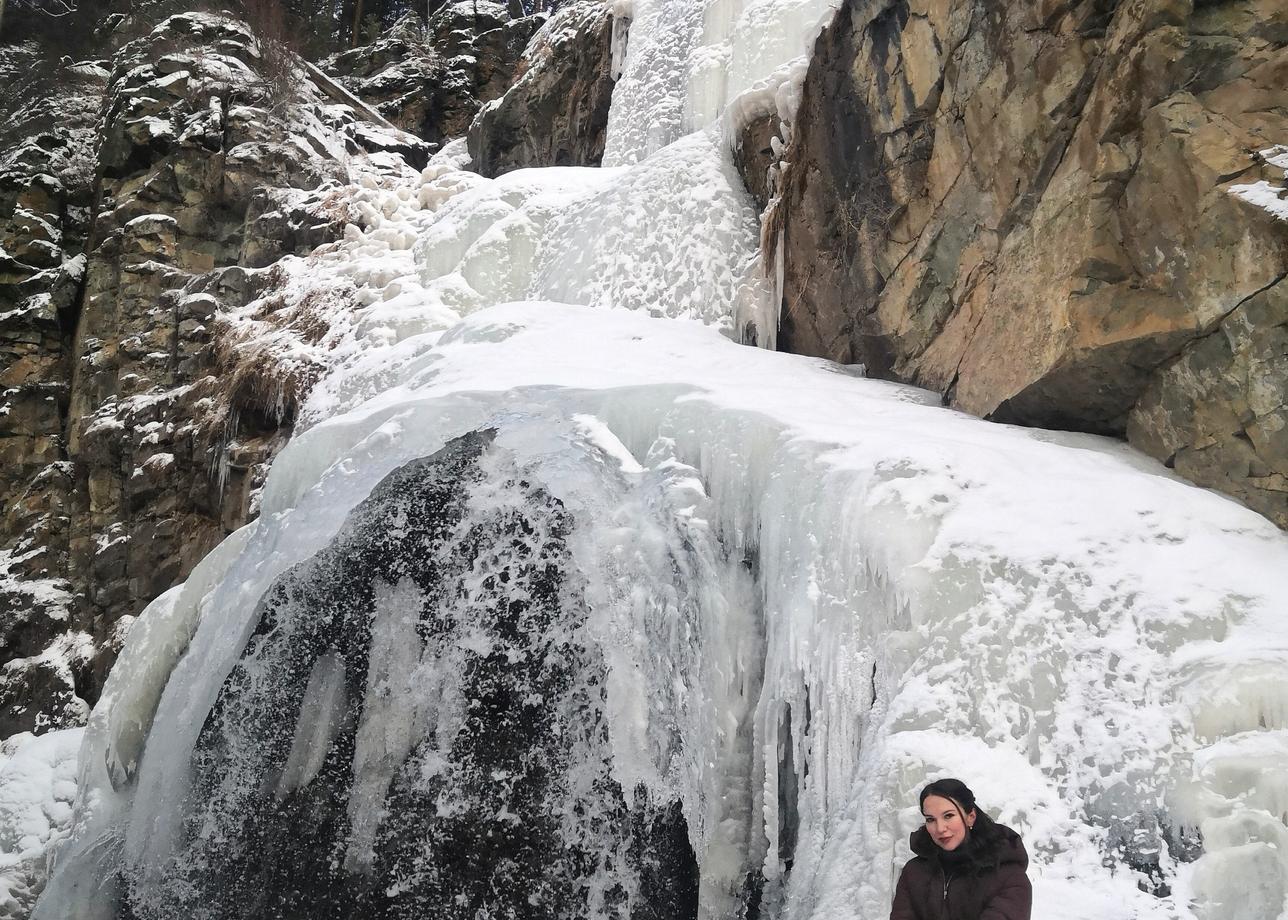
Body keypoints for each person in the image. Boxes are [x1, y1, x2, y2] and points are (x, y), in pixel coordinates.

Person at [889, 778, 1032, 920]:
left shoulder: (1009, 877)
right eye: (930, 819)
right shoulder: (914, 872)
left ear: (971, 817)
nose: (940, 828)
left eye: (948, 816)